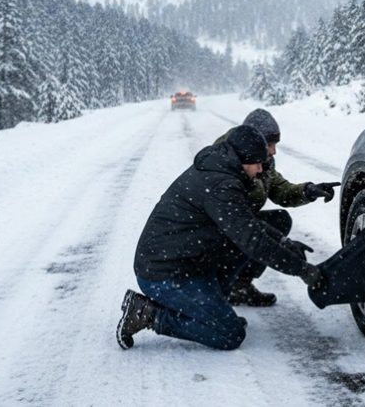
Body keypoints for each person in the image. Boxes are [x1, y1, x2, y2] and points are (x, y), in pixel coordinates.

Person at [116, 125, 323, 351]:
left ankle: (212, 311)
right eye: (258, 163)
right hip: (162, 272)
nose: (261, 169)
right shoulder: (221, 185)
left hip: (189, 261)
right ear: (243, 159)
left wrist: (284, 243)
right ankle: (147, 313)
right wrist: (301, 270)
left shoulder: (224, 169)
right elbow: (253, 240)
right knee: (229, 334)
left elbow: (249, 225)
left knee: (237, 246)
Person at [215, 108, 340, 307]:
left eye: (275, 144)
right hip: (218, 231)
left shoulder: (262, 161)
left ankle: (240, 285)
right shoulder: (225, 165)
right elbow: (240, 224)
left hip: (242, 225)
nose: (274, 151)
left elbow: (280, 189)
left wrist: (308, 191)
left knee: (279, 219)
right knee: (255, 235)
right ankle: (217, 286)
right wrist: (289, 253)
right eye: (270, 145)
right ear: (252, 143)